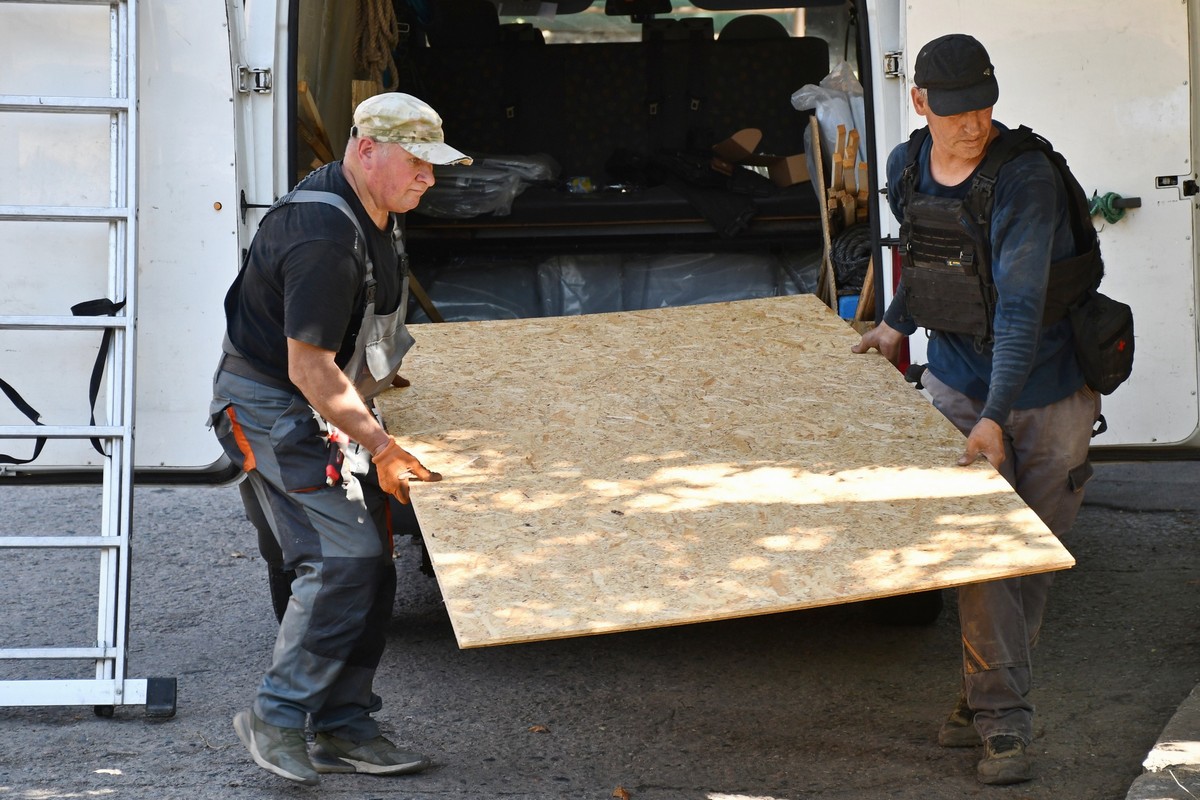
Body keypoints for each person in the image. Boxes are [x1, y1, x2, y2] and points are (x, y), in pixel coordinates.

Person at [851, 34, 1099, 785]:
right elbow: (926, 261)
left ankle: (978, 694)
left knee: (1031, 561)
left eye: (984, 106)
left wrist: (998, 415)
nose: (973, 124)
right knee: (983, 555)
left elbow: (1020, 308)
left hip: (1049, 389)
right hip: (959, 386)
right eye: (956, 110)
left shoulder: (1025, 178)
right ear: (921, 100)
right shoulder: (903, 165)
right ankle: (1003, 725)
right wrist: (894, 324)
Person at [209, 92, 471, 786]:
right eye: (415, 163)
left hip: (325, 401)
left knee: (374, 561)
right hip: (272, 404)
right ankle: (278, 715)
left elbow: (356, 340)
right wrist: (381, 447)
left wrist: (380, 400)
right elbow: (306, 367)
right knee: (342, 556)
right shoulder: (324, 237)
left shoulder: (375, 209)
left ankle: (343, 724)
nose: (428, 178)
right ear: (364, 151)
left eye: (432, 165)